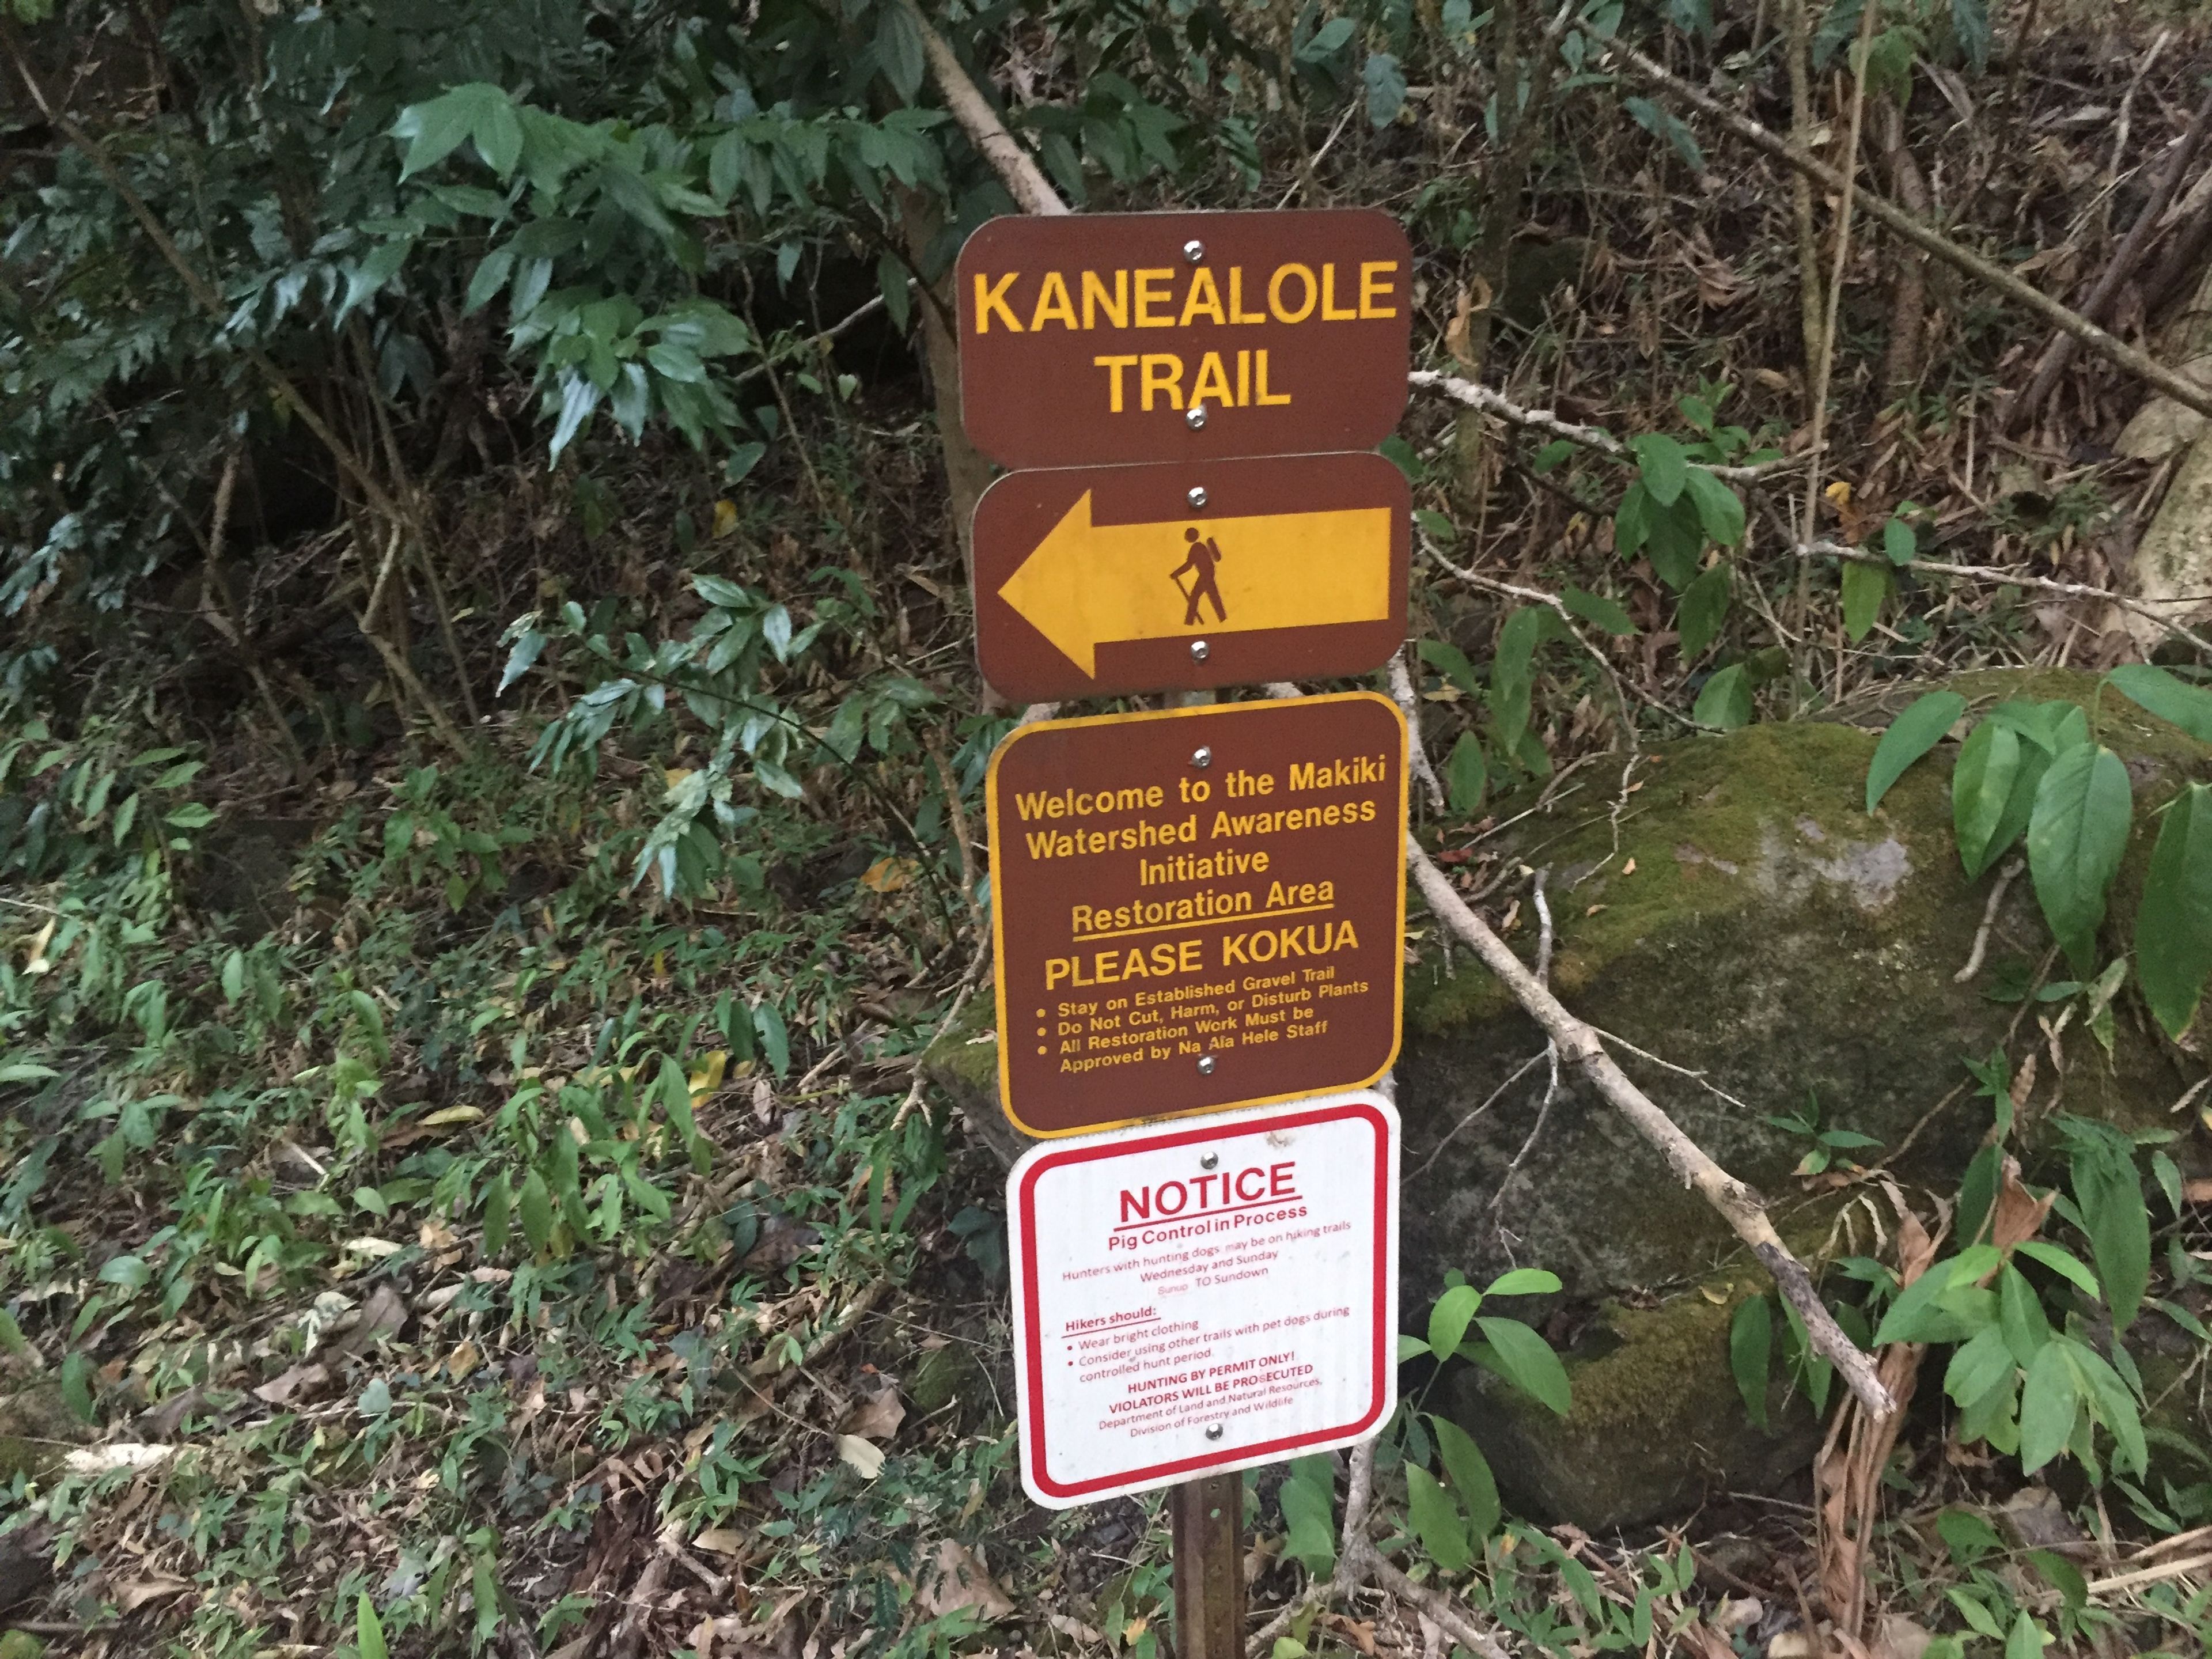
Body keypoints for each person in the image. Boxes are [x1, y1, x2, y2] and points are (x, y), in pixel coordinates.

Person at [1171, 526, 1226, 627]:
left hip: (1205, 575)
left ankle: (1189, 622)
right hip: (1208, 574)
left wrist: (1177, 573)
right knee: (1213, 597)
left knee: (1195, 597)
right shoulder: (1200, 546)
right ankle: (1223, 619)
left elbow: (1189, 565)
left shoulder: (1196, 547)